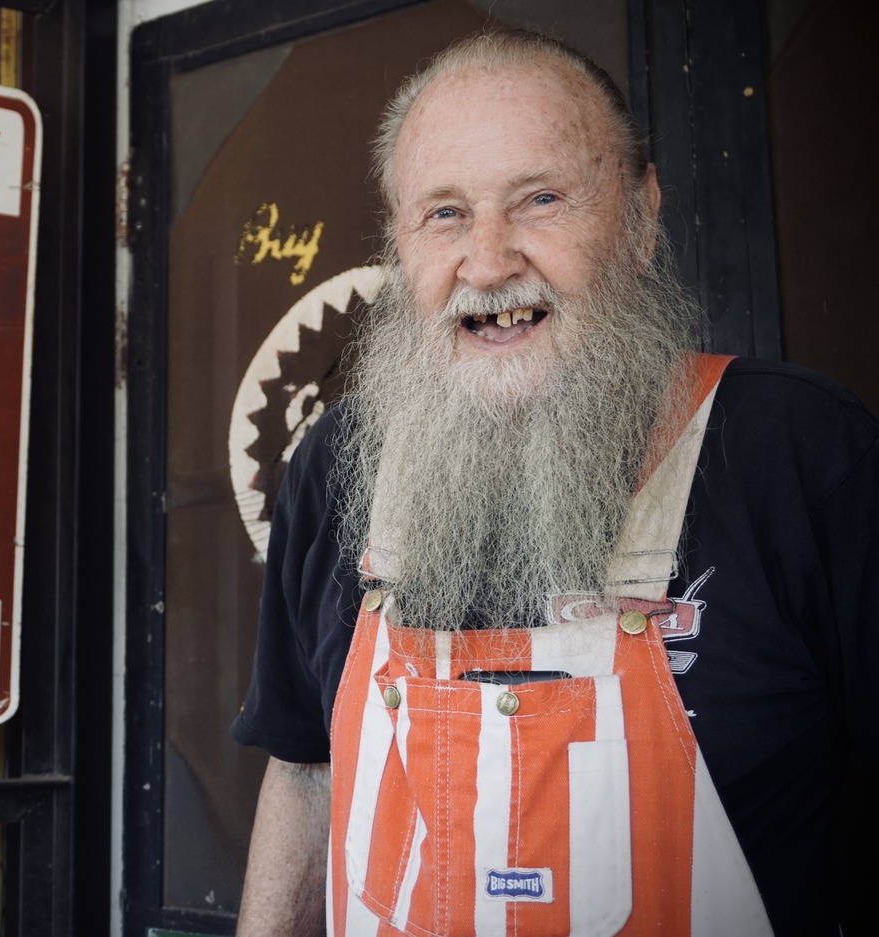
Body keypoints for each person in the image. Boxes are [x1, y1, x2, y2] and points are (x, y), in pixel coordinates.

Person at [231, 28, 877, 937]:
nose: (489, 262)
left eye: (540, 200)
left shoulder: (799, 453)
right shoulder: (337, 461)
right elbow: (304, 770)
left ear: (642, 218)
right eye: (445, 214)